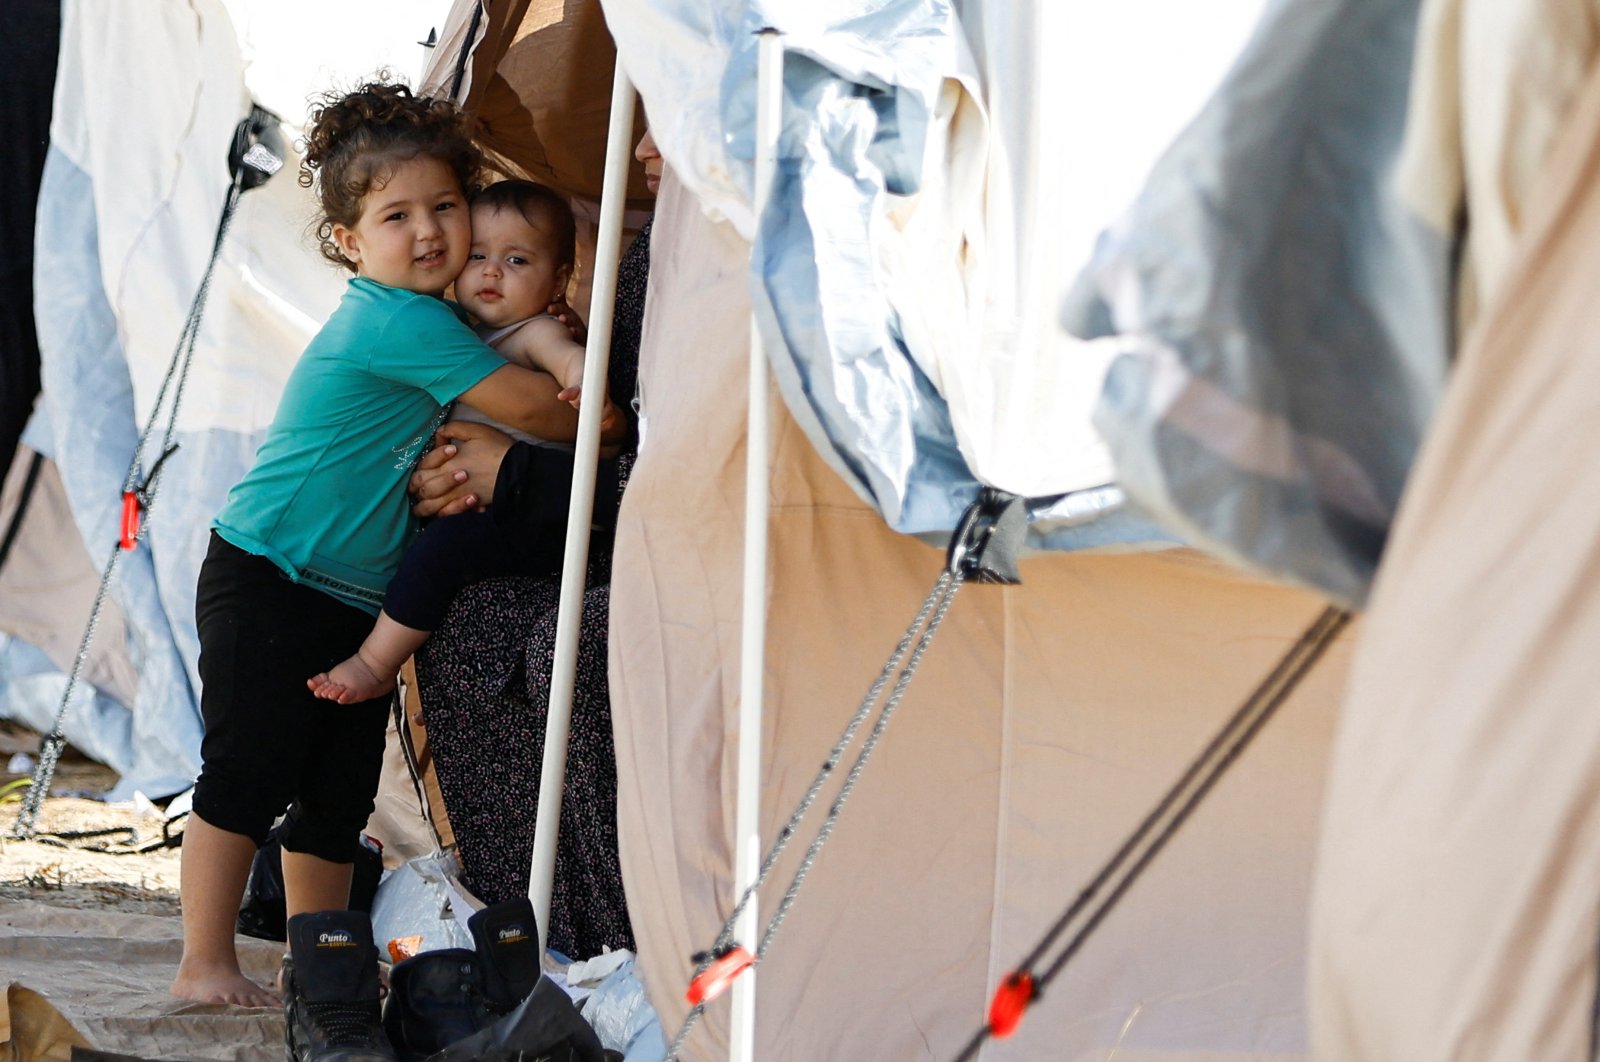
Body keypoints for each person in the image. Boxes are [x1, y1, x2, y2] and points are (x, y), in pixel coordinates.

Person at [171, 80, 613, 1016]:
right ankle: (204, 963)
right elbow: (538, 413)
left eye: (446, 207)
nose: (429, 232)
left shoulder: (441, 322)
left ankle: (318, 962)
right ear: (348, 241)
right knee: (246, 774)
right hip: (271, 571)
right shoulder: (397, 319)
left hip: (346, 590)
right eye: (396, 214)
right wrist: (587, 392)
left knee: (336, 798)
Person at [397, 129, 662, 960]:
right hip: (562, 524)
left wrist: (513, 476)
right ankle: (527, 926)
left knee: (574, 644)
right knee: (466, 614)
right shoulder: (651, 251)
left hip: (636, 532)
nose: (646, 142)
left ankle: (625, 941)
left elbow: (631, 436)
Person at [307, 178, 611, 706]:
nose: (491, 271)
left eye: (517, 261)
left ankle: (377, 662)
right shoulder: (459, 334)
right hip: (493, 508)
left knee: (441, 553)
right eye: (477, 256)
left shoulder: (533, 330)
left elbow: (565, 356)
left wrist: (587, 385)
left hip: (539, 516)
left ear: (559, 278)